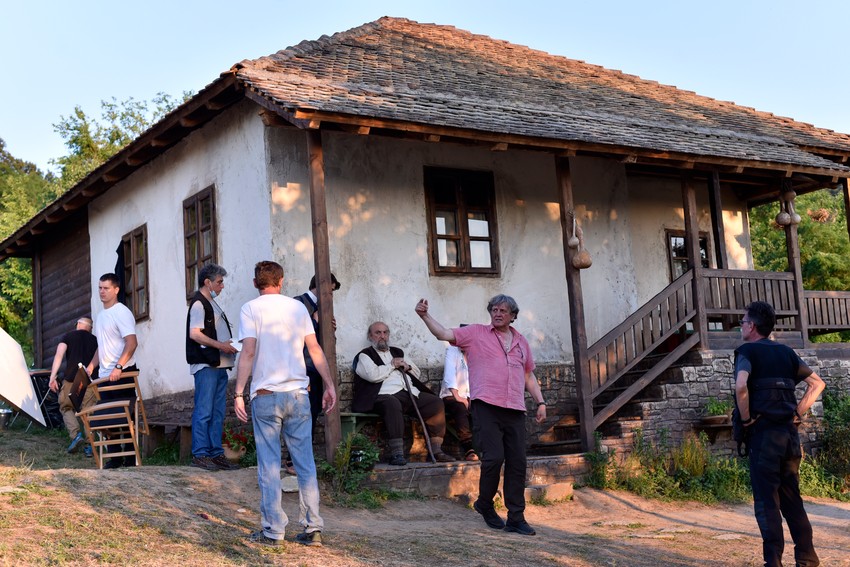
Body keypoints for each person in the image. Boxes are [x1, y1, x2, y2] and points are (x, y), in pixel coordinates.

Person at [416, 295, 546, 536]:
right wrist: (424, 316)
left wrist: (540, 401)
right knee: (494, 458)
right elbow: (443, 333)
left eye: (503, 310)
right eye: (494, 310)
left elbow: (528, 375)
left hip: (515, 408)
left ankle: (516, 518)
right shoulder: (476, 334)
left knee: (518, 463)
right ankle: (485, 503)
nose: (497, 313)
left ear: (513, 315)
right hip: (486, 406)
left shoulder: (521, 342)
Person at [234, 260, 337, 547]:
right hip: (298, 395)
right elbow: (314, 349)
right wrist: (329, 385)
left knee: (269, 465)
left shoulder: (250, 309)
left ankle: (273, 531)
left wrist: (239, 391)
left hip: (266, 396)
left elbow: (249, 351)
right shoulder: (298, 308)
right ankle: (312, 528)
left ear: (256, 283)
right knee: (305, 463)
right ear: (281, 281)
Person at [735, 301, 825, 567]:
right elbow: (818, 383)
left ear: (751, 326)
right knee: (791, 498)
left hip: (763, 437)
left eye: (742, 322)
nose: (740, 326)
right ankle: (807, 557)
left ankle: (773, 562)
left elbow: (741, 386)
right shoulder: (786, 352)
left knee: (767, 502)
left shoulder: (746, 351)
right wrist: (797, 413)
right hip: (788, 437)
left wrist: (746, 419)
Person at [352, 321, 456, 465]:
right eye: (378, 333)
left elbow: (416, 372)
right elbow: (372, 375)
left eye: (385, 332)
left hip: (408, 392)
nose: (382, 336)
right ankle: (397, 454)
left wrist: (406, 367)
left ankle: (436, 450)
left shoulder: (398, 352)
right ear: (370, 336)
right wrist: (392, 365)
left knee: (435, 403)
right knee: (392, 403)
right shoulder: (364, 355)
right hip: (381, 396)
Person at [186, 263, 240, 471]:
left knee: (217, 412)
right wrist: (221, 346)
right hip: (207, 364)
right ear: (207, 282)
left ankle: (215, 453)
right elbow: (195, 333)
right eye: (219, 282)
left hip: (219, 365)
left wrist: (230, 345)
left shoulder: (210, 303)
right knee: (205, 410)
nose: (222, 286)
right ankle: (200, 454)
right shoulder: (199, 304)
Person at [290, 272, 340, 473]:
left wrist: (329, 330)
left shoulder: (324, 309)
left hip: (318, 368)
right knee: (303, 414)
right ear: (318, 287)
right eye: (330, 291)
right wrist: (317, 323)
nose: (331, 296)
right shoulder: (297, 304)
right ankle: (292, 461)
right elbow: (294, 335)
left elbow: (324, 342)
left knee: (313, 412)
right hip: (303, 367)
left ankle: (300, 459)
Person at [88, 273, 139, 469]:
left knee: (125, 417)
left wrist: (118, 366)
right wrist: (93, 365)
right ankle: (115, 459)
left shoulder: (121, 312)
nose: (102, 291)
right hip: (104, 375)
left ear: (116, 290)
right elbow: (102, 346)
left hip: (123, 371)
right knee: (107, 418)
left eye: (106, 288)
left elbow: (132, 343)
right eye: (100, 288)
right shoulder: (100, 316)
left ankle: (130, 458)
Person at [48, 317, 98, 457]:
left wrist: (53, 377)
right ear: (90, 328)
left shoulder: (68, 336)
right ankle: (90, 447)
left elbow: (59, 355)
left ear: (78, 325)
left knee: (66, 407)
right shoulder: (95, 340)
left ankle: (76, 436)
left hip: (70, 379)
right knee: (88, 413)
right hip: (89, 380)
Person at [441, 343, 478, 461]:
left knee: (486, 409)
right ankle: (468, 448)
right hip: (451, 395)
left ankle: (490, 447)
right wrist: (458, 396)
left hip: (471, 396)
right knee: (460, 408)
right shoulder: (452, 351)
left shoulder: (477, 353)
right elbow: (449, 375)